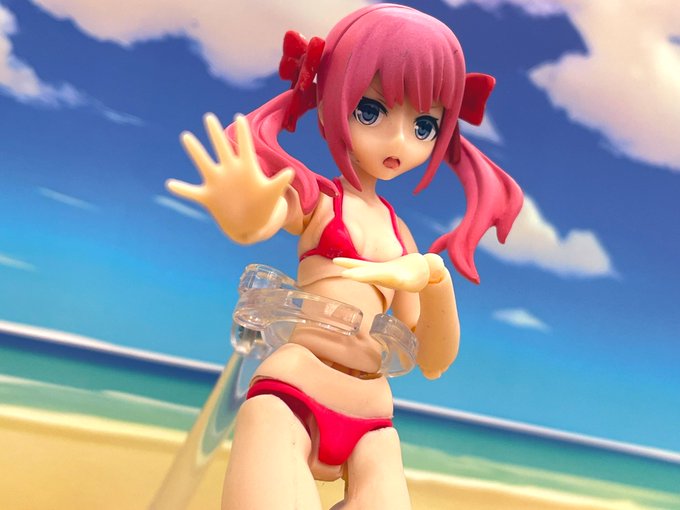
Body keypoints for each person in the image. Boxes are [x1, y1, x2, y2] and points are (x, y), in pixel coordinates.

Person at [167, 4, 523, 509]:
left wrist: (435, 279)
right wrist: (247, 213)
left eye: (424, 125)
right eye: (371, 111)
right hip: (293, 395)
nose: (398, 140)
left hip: (373, 423)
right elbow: (272, 214)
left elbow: (433, 359)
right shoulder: (322, 201)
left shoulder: (402, 237)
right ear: (332, 101)